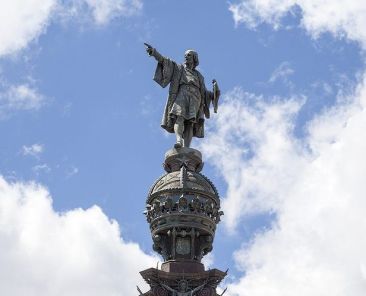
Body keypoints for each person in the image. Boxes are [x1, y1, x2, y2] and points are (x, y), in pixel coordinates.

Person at [145, 43, 220, 148]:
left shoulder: (199, 76)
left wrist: (214, 93)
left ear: (194, 58)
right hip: (182, 94)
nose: (186, 56)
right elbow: (164, 61)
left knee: (190, 123)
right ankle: (179, 140)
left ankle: (187, 147)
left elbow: (204, 92)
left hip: (195, 98)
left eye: (189, 55)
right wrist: (154, 53)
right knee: (179, 117)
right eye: (185, 55)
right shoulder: (179, 68)